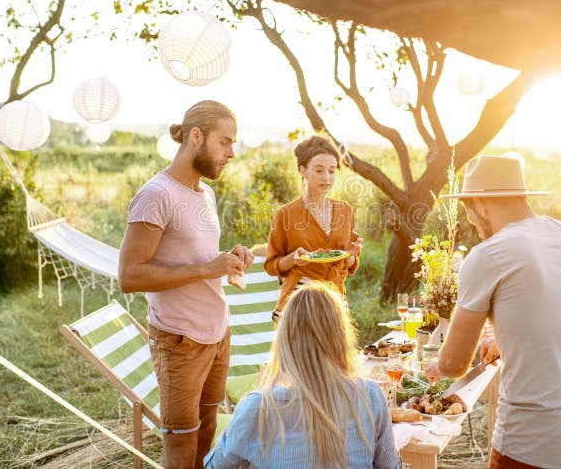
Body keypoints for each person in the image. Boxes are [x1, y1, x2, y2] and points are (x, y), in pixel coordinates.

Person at [424, 155, 561, 469]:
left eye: (469, 213)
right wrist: (508, 337)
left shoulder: (489, 254)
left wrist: (436, 364)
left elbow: (455, 364)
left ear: (481, 204)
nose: (476, 228)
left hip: (531, 443)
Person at [118, 100, 253, 469]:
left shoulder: (204, 193)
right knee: (180, 450)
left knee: (206, 437)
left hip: (216, 334)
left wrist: (228, 259)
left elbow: (192, 257)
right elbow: (130, 276)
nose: (232, 152)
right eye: (225, 142)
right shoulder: (155, 195)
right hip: (180, 341)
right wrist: (207, 268)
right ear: (196, 136)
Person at [204, 281, 402, 469]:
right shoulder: (369, 395)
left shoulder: (258, 409)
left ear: (285, 339)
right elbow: (391, 466)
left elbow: (213, 466)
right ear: (341, 338)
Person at [264, 135, 363, 321]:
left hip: (335, 301)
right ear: (303, 170)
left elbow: (348, 265)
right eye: (319, 170)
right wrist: (293, 259)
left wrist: (351, 254)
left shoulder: (345, 211)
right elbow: (271, 265)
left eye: (332, 171)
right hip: (298, 301)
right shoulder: (285, 214)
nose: (326, 178)